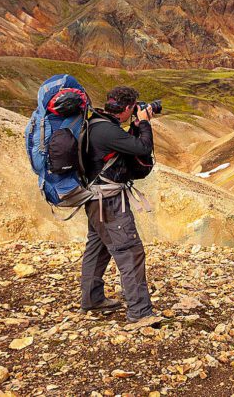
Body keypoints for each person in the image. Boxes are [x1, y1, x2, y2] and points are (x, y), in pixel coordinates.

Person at [80, 85, 161, 327]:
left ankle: (92, 299)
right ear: (127, 108)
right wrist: (144, 123)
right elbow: (143, 149)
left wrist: (134, 126)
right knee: (130, 252)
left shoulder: (97, 123)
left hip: (96, 201)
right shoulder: (107, 131)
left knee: (98, 247)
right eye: (133, 108)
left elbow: (123, 146)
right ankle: (140, 313)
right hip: (109, 202)